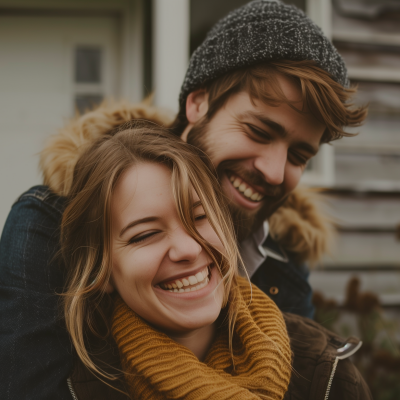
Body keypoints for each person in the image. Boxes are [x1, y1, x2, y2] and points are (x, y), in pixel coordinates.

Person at [0, 1, 367, 398]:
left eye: (299, 156)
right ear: (198, 103)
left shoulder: (282, 253)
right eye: (259, 131)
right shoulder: (50, 220)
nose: (275, 172)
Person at [62, 121, 292, 399]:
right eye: (144, 235)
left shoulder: (329, 371)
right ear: (102, 271)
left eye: (199, 217)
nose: (189, 249)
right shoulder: (59, 387)